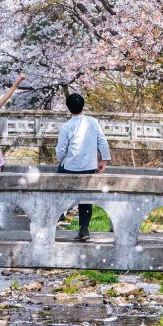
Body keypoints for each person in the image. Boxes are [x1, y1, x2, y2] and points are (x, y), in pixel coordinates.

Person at [55, 92, 110, 241]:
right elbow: (102, 142)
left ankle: (61, 212)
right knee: (86, 196)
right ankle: (84, 229)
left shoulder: (67, 126)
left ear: (68, 108)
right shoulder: (93, 122)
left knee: (58, 183)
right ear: (83, 105)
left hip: (69, 168)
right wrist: (104, 160)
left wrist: (60, 160)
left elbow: (61, 150)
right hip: (89, 167)